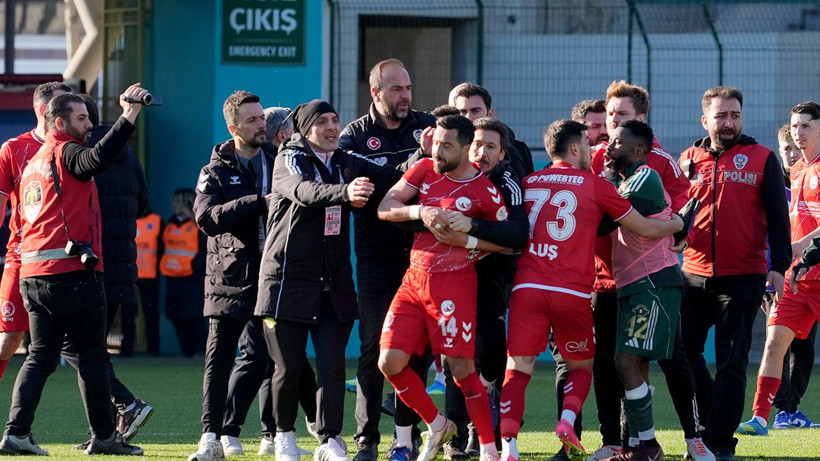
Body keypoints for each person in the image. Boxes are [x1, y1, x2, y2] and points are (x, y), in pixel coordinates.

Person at [498, 119, 682, 461]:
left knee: (517, 369)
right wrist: (678, 223)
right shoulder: (595, 185)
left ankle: (508, 446)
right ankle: (568, 420)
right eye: (586, 143)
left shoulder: (528, 182)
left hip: (527, 288)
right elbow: (643, 227)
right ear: (574, 148)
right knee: (581, 366)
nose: (593, 149)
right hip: (572, 292)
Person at [256, 99, 409, 461]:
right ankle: (285, 437)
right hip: (287, 282)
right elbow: (304, 191)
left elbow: (391, 173)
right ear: (304, 129)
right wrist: (345, 192)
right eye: (322, 121)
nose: (331, 127)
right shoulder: (289, 157)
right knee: (289, 368)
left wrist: (423, 154)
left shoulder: (344, 160)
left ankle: (329, 441)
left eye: (335, 120)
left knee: (333, 366)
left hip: (333, 284)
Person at [0, 85, 149, 456]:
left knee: (39, 357)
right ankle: (106, 436)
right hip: (71, 273)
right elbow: (96, 159)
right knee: (93, 357)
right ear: (59, 123)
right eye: (82, 118)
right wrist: (130, 114)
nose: (89, 125)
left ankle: (16, 433)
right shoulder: (64, 151)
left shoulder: (33, 161)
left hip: (33, 273)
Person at [377, 115, 512, 461]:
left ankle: (488, 449)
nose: (437, 151)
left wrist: (469, 240)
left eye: (446, 146)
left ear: (465, 149)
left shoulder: (484, 190)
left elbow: (510, 243)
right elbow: (385, 207)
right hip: (413, 280)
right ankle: (438, 424)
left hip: (454, 283)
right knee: (389, 362)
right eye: (436, 143)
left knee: (462, 369)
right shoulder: (424, 169)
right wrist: (420, 211)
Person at [678, 86, 789, 461]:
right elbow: (674, 215)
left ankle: (721, 443)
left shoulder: (762, 158)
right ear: (705, 120)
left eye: (735, 116)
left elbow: (779, 219)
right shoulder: (688, 160)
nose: (729, 123)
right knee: (682, 353)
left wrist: (778, 268)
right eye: (721, 116)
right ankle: (710, 422)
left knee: (732, 362)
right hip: (692, 275)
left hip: (744, 276)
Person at [586, 81, 695, 461]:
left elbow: (683, 207)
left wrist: (680, 228)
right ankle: (618, 442)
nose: (612, 123)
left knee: (665, 359)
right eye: (610, 115)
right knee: (611, 363)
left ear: (641, 120)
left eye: (622, 115)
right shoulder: (598, 157)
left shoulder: (655, 164)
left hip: (648, 279)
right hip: (606, 278)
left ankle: (691, 438)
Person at [339, 58, 436, 461]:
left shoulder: (428, 125)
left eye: (408, 88)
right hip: (376, 256)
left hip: (423, 256)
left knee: (417, 350)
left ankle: (405, 439)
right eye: (396, 89)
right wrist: (416, 162)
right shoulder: (354, 135)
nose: (405, 96)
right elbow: (367, 182)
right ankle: (367, 439)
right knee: (372, 346)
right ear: (376, 92)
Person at [220, 105, 318, 457]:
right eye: (292, 129)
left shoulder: (284, 165)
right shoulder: (262, 167)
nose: (299, 136)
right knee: (256, 353)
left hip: (281, 274)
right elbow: (214, 217)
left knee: (285, 357)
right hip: (253, 275)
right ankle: (227, 431)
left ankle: (274, 433)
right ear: (281, 135)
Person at [188, 90, 276, 461]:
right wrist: (258, 202)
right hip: (227, 278)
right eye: (253, 120)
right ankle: (210, 437)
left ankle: (256, 433)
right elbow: (206, 218)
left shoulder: (278, 161)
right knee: (219, 358)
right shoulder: (214, 171)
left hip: (271, 276)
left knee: (263, 357)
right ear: (233, 128)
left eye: (262, 118)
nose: (261, 125)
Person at [73, 93, 154, 443]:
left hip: (92, 265)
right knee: (94, 350)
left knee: (80, 348)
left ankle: (126, 404)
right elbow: (143, 207)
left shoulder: (83, 154)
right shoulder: (129, 155)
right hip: (124, 268)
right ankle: (104, 431)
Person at [736, 101, 820, 437]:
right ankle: (760, 418)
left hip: (811, 268)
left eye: (806, 126)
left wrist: (799, 247)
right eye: (795, 126)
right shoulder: (797, 170)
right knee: (774, 343)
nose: (799, 133)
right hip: (798, 278)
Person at [0, 81, 70, 382]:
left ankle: (118, 402)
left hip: (65, 257)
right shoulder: (14, 148)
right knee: (8, 340)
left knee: (73, 342)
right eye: (62, 105)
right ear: (44, 110)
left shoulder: (74, 149)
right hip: (23, 255)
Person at [767, 124, 817, 430]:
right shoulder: (773, 187)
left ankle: (792, 408)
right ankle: (781, 409)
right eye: (786, 148)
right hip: (780, 276)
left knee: (805, 346)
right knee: (778, 341)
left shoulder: (809, 179)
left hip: (810, 275)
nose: (792, 154)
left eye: (796, 148)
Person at [448, 82, 534, 178]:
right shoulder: (443, 147)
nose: (468, 117)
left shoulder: (511, 152)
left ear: (489, 114)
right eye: (462, 112)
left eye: (475, 111)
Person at [161, 188, 207, 357]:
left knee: (193, 316)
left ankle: (200, 350)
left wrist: (194, 266)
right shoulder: (170, 224)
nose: (173, 205)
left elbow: (204, 251)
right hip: (172, 276)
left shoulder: (198, 226)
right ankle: (186, 351)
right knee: (175, 315)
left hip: (191, 278)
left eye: (177, 202)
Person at [135, 210, 162, 356]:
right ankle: (127, 348)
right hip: (132, 276)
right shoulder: (130, 220)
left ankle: (153, 348)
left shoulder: (156, 221)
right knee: (128, 314)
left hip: (150, 276)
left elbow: (162, 249)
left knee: (151, 313)